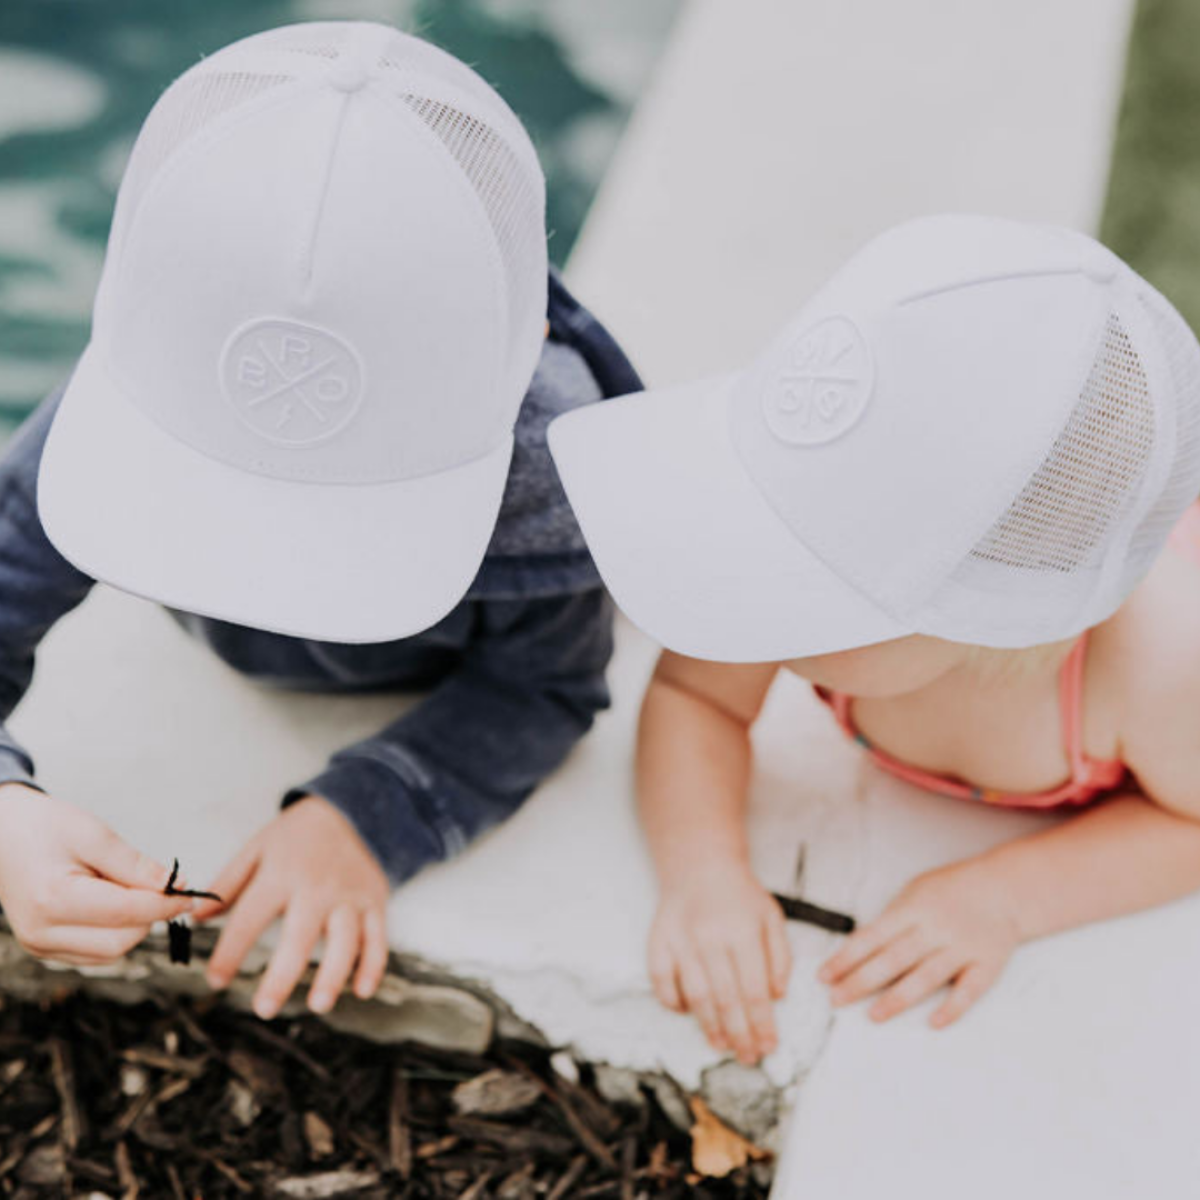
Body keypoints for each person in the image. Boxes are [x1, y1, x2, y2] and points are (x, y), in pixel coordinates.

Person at [0, 22, 639, 1022]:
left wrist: (369, 814)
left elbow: (544, 685)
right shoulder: (121, 405)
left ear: (532, 355)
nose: (268, 550)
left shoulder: (548, 479)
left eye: (349, 506)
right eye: (216, 482)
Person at [549, 214, 1200, 1065]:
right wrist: (704, 871)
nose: (752, 601)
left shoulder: (1155, 671)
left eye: (810, 582)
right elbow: (692, 694)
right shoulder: (796, 592)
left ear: (987, 619)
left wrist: (1006, 897)